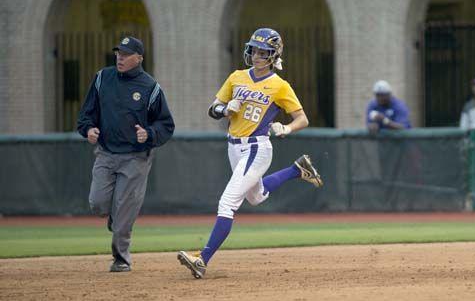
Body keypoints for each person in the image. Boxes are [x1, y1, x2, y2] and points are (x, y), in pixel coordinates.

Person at [177, 28, 323, 279]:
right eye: (254, 49)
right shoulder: (236, 77)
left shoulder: (279, 85)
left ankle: (202, 259)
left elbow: (303, 118)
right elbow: (212, 109)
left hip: (257, 147)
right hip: (233, 146)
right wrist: (224, 110)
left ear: (273, 54)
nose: (256, 54)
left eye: (263, 51)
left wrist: (286, 127)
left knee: (227, 202)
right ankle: (297, 169)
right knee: (256, 197)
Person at [77, 36, 174, 272]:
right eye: (118, 52)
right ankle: (113, 216)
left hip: (135, 158)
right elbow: (85, 115)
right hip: (106, 152)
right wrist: (88, 129)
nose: (120, 57)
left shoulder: (150, 87)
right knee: (98, 204)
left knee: (124, 216)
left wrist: (149, 134)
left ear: (139, 58)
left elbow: (166, 125)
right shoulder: (102, 78)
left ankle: (121, 258)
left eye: (126, 54)